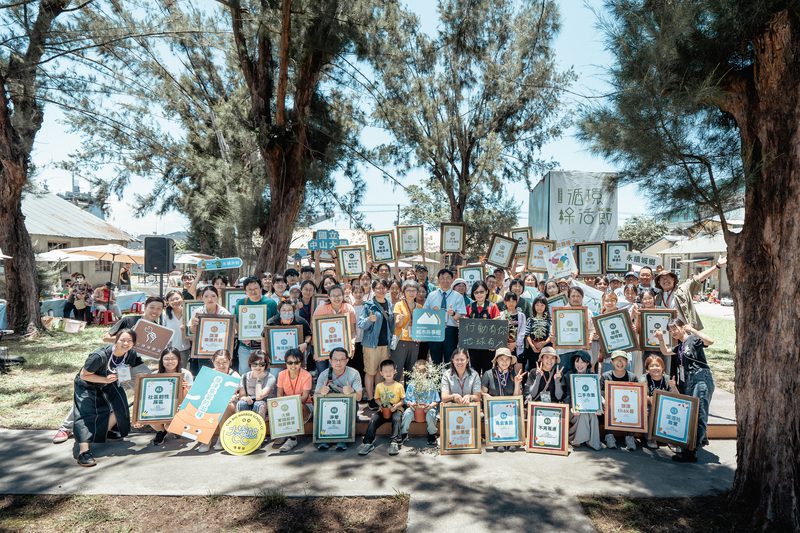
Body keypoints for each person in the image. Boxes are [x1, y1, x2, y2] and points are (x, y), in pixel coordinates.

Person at [73, 329, 142, 467]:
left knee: (121, 407)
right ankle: (83, 452)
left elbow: (136, 367)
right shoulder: (99, 356)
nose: (126, 343)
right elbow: (84, 375)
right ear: (116, 340)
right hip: (87, 384)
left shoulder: (131, 354)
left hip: (110, 383)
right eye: (123, 340)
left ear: (134, 343)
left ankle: (105, 430)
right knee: (85, 414)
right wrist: (104, 379)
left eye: (130, 341)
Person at [655, 319, 715, 462]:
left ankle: (691, 451)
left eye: (675, 328)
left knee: (698, 413)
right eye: (671, 330)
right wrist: (661, 339)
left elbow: (710, 341)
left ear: (683, 327)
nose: (674, 332)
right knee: (691, 414)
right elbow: (665, 351)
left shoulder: (693, 339)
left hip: (700, 378)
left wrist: (692, 329)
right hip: (688, 381)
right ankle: (697, 441)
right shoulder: (680, 346)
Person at [136, 347, 193, 446]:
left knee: (169, 427)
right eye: (166, 359)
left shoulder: (186, 374)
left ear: (179, 360)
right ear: (161, 360)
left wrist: (185, 388)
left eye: (173, 359)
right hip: (160, 408)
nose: (170, 362)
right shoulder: (154, 375)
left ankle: (174, 429)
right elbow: (146, 397)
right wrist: (139, 417)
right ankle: (161, 432)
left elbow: (191, 398)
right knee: (149, 418)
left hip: (179, 409)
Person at [655, 258, 727, 330]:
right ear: (659, 282)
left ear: (673, 279)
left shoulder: (683, 289)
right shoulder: (657, 297)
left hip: (683, 330)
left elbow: (698, 278)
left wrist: (717, 266)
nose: (665, 280)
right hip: (665, 329)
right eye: (662, 278)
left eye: (668, 277)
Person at [314, 347, 363, 451]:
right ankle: (324, 438)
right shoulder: (324, 374)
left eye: (341, 359)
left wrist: (352, 391)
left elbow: (359, 398)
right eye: (335, 359)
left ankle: (343, 439)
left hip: (347, 408)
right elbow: (315, 397)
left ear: (347, 360)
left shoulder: (354, 374)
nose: (338, 362)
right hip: (329, 407)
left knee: (349, 408)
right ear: (330, 360)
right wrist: (320, 391)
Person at [358, 279, 395, 410]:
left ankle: (377, 397)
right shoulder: (369, 305)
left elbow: (391, 324)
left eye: (383, 287)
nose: (381, 290)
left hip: (385, 344)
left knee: (380, 372)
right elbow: (360, 324)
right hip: (371, 344)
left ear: (387, 289)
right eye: (378, 288)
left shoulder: (389, 304)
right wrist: (369, 319)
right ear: (373, 290)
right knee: (370, 372)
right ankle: (370, 398)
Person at [358, 359, 405, 456]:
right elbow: (376, 399)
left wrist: (396, 406)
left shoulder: (399, 386)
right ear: (381, 373)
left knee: (396, 419)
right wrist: (381, 405)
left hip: (396, 409)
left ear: (395, 371)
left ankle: (394, 442)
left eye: (390, 371)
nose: (388, 373)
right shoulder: (379, 386)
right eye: (385, 371)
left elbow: (403, 400)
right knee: (373, 419)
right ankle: (368, 443)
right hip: (383, 409)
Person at [233, 276, 279, 376]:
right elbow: (236, 322)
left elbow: (275, 324)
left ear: (261, 288)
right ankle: (245, 391)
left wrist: (264, 337)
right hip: (245, 346)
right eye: (249, 289)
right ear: (245, 291)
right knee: (244, 372)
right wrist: (242, 337)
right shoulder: (240, 303)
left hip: (265, 346)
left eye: (256, 288)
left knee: (264, 372)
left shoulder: (270, 303)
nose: (253, 291)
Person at [197, 349, 240, 453]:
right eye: (218, 362)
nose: (221, 365)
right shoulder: (208, 374)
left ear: (230, 361)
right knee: (202, 405)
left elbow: (241, 394)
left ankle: (221, 438)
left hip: (228, 405)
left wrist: (235, 397)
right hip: (210, 404)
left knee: (223, 405)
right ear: (213, 362)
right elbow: (199, 392)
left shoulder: (234, 376)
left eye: (225, 362)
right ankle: (205, 440)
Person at [423, 269, 466, 364]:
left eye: (448, 278)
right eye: (442, 278)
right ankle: (437, 379)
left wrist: (453, 314)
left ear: (452, 280)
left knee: (450, 360)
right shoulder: (431, 295)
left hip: (450, 331)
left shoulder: (458, 296)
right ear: (438, 280)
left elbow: (461, 316)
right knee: (435, 360)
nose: (445, 281)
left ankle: (448, 379)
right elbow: (424, 314)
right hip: (434, 331)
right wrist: (431, 312)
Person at [313, 285, 357, 376]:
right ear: (329, 297)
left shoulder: (349, 309)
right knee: (323, 373)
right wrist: (317, 350)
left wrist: (352, 345)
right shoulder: (321, 308)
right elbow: (315, 330)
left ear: (343, 295)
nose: (336, 298)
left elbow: (352, 331)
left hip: (340, 348)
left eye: (339, 295)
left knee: (336, 373)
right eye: (333, 295)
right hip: (323, 347)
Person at [275, 348, 313, 452]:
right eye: (290, 362)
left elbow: (305, 397)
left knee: (297, 407)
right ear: (286, 363)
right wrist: (283, 403)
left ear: (301, 362)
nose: (293, 366)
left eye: (296, 362)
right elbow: (279, 393)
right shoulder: (281, 374)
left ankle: (292, 439)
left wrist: (289, 404)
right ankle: (284, 433)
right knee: (275, 406)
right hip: (287, 405)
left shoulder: (307, 375)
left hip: (304, 405)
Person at [600, 350, 637, 451]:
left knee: (633, 408)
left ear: (627, 362)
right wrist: (603, 401)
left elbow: (637, 396)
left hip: (626, 406)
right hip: (610, 407)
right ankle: (609, 435)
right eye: (617, 360)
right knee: (608, 406)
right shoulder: (605, 376)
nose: (620, 363)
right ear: (611, 362)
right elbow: (599, 393)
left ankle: (630, 437)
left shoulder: (632, 377)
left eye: (623, 360)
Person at [188, 287, 230, 376]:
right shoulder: (198, 311)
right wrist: (193, 325)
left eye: (213, 296)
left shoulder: (225, 313)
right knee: (205, 376)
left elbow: (231, 332)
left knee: (220, 375)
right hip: (204, 350)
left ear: (217, 297)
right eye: (206, 296)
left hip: (220, 352)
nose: (210, 299)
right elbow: (192, 331)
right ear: (202, 298)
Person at [564, 351, 602, 450]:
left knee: (592, 413)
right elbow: (566, 395)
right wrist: (572, 407)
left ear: (588, 363)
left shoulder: (592, 376)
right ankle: (577, 439)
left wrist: (599, 407)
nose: (579, 365)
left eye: (582, 362)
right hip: (572, 409)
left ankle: (592, 442)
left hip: (588, 408)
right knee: (583, 412)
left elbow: (596, 394)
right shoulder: (569, 375)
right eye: (577, 362)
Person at [639, 354, 678, 449]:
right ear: (647, 369)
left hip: (665, 406)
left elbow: (677, 396)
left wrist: (673, 387)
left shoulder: (667, 378)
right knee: (650, 409)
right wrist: (654, 400)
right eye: (651, 366)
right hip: (650, 404)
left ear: (662, 367)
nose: (655, 368)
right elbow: (642, 397)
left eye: (657, 365)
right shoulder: (644, 379)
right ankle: (650, 438)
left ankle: (670, 438)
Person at [264, 300, 312, 374]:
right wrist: (264, 352)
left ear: (294, 311)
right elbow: (263, 336)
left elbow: (308, 335)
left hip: (295, 358)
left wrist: (305, 343)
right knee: (275, 374)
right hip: (276, 358)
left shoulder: (301, 321)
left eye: (289, 310)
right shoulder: (272, 321)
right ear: (279, 311)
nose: (287, 312)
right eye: (284, 310)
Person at [399, 359, 440, 446]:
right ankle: (403, 433)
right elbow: (406, 400)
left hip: (428, 409)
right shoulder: (411, 384)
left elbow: (436, 400)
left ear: (427, 372)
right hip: (414, 409)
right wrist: (410, 404)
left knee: (431, 415)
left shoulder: (431, 384)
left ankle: (432, 434)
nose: (421, 374)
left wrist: (430, 406)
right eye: (418, 371)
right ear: (414, 372)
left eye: (423, 371)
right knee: (407, 414)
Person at [236, 351, 276, 435]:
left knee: (259, 405)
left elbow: (259, 397)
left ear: (266, 365)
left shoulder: (270, 377)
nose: (258, 367)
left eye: (261, 364)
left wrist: (259, 380)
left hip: (265, 405)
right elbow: (241, 395)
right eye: (255, 364)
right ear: (250, 364)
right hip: (249, 402)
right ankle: (243, 434)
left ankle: (258, 435)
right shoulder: (245, 376)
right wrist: (245, 398)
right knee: (241, 404)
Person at [465, 280, 501, 374]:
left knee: (488, 372)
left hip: (488, 347)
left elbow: (497, 327)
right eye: (476, 292)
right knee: (474, 371)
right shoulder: (469, 307)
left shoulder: (493, 307)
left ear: (486, 292)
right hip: (473, 346)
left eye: (481, 291)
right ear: (473, 293)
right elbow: (466, 327)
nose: (479, 294)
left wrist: (494, 344)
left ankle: (486, 389)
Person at [391, 280, 421, 383]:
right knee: (397, 369)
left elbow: (422, 327)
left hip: (414, 341)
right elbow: (397, 324)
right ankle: (395, 395)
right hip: (401, 340)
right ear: (404, 292)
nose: (411, 293)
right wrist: (400, 319)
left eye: (414, 290)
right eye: (408, 290)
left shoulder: (420, 307)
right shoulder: (399, 305)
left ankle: (409, 395)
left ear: (417, 292)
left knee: (411, 371)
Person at [501, 292, 527, 374]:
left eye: (513, 301)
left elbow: (523, 331)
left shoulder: (521, 316)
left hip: (517, 347)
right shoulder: (501, 315)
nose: (511, 303)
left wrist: (515, 344)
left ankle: (518, 386)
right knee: (504, 368)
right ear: (505, 302)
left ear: (516, 302)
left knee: (518, 372)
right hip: (504, 346)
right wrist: (506, 344)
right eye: (508, 301)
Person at [164, 290, 192, 363]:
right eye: (172, 300)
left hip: (184, 350)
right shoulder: (165, 316)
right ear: (168, 302)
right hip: (169, 351)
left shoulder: (188, 313)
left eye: (177, 298)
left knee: (182, 372)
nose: (175, 301)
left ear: (182, 298)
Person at [525, 296, 551, 372]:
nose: (539, 307)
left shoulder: (549, 319)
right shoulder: (530, 319)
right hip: (533, 349)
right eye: (537, 305)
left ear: (545, 306)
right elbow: (527, 334)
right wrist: (532, 346)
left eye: (542, 305)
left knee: (545, 367)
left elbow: (551, 334)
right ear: (534, 306)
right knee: (533, 368)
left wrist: (544, 343)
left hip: (545, 349)